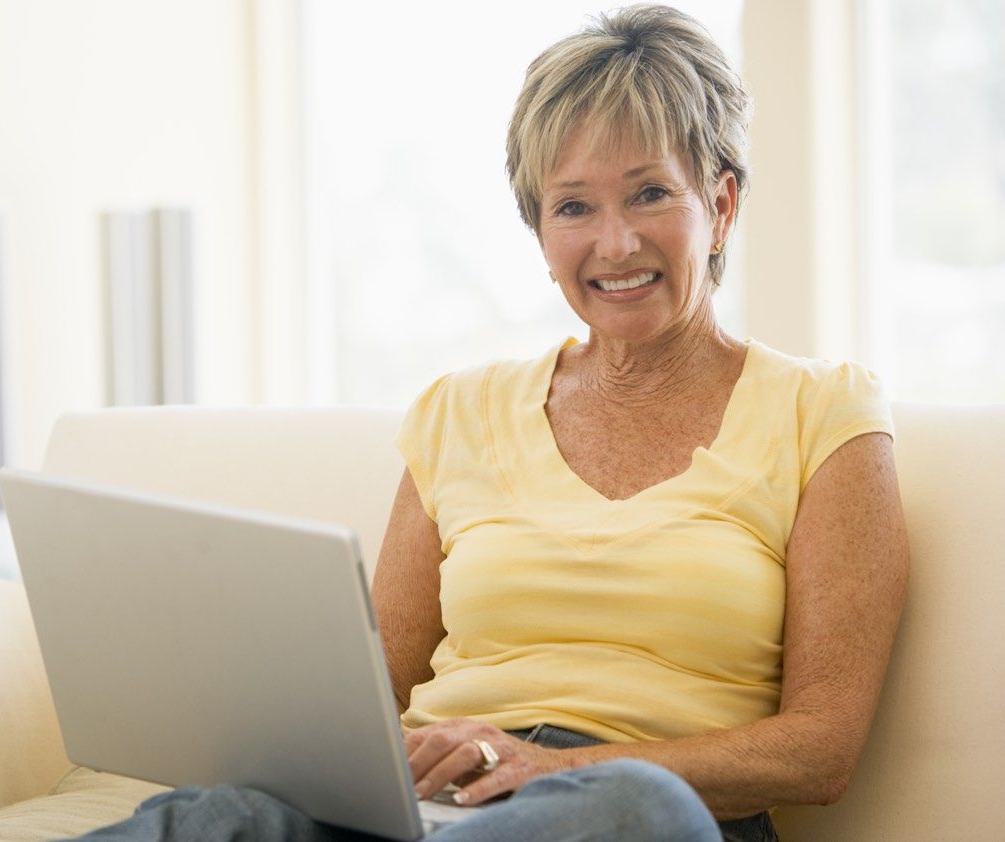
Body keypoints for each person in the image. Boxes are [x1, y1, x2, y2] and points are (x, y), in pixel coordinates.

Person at [74, 5, 909, 840]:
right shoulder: (459, 412)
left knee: (632, 808)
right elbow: (373, 699)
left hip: (635, 817)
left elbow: (820, 750)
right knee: (224, 814)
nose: (614, 245)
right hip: (439, 813)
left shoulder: (824, 412)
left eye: (650, 194)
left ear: (720, 205)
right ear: (541, 234)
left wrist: (548, 769)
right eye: (573, 207)